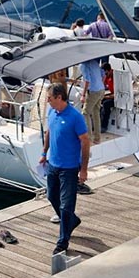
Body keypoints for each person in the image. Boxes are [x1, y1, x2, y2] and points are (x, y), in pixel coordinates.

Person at [39, 82, 90, 255]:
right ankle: (72, 221)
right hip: (53, 164)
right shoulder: (52, 112)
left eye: (50, 98)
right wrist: (44, 153)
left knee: (66, 205)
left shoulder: (75, 117)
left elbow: (85, 141)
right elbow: (49, 132)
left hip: (69, 168)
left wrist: (83, 169)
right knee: (52, 196)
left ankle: (63, 242)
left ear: (59, 97)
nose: (48, 101)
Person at [79, 58, 105, 144]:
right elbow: (103, 75)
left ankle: (88, 139)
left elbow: (87, 81)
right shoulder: (94, 62)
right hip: (101, 89)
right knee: (96, 112)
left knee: (85, 113)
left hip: (93, 91)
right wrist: (100, 84)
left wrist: (83, 95)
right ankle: (97, 138)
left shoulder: (83, 65)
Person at [99, 62, 115, 132]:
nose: (105, 76)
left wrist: (106, 97)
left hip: (118, 97)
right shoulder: (106, 77)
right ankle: (97, 123)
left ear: (109, 70)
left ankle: (104, 126)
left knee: (106, 104)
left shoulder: (115, 77)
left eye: (105, 74)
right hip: (111, 95)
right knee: (98, 101)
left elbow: (117, 94)